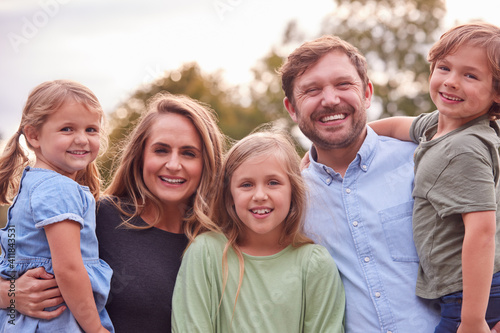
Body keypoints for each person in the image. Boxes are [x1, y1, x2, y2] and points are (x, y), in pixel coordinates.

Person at [0, 92, 225, 332]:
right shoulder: (96, 215)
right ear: (140, 156)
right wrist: (9, 294)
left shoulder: (220, 244)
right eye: (161, 150)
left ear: (207, 163)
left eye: (189, 153)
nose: (173, 164)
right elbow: (14, 252)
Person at [368, 22, 500, 332]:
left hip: (472, 297)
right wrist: (355, 138)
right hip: (469, 293)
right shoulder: (440, 126)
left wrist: (472, 321)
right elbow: (401, 126)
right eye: (444, 68)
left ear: (496, 93)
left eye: (470, 75)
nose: (451, 82)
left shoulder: (464, 149)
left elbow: (481, 232)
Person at [171, 130, 346, 332]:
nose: (260, 195)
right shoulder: (206, 253)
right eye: (246, 185)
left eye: (273, 182)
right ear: (230, 196)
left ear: (293, 190)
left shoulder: (315, 264)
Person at [0, 80, 114, 332]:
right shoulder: (58, 189)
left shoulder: (34, 183)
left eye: (91, 129)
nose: (82, 139)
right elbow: (69, 269)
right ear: (34, 135)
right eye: (67, 129)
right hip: (56, 320)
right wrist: (95, 329)